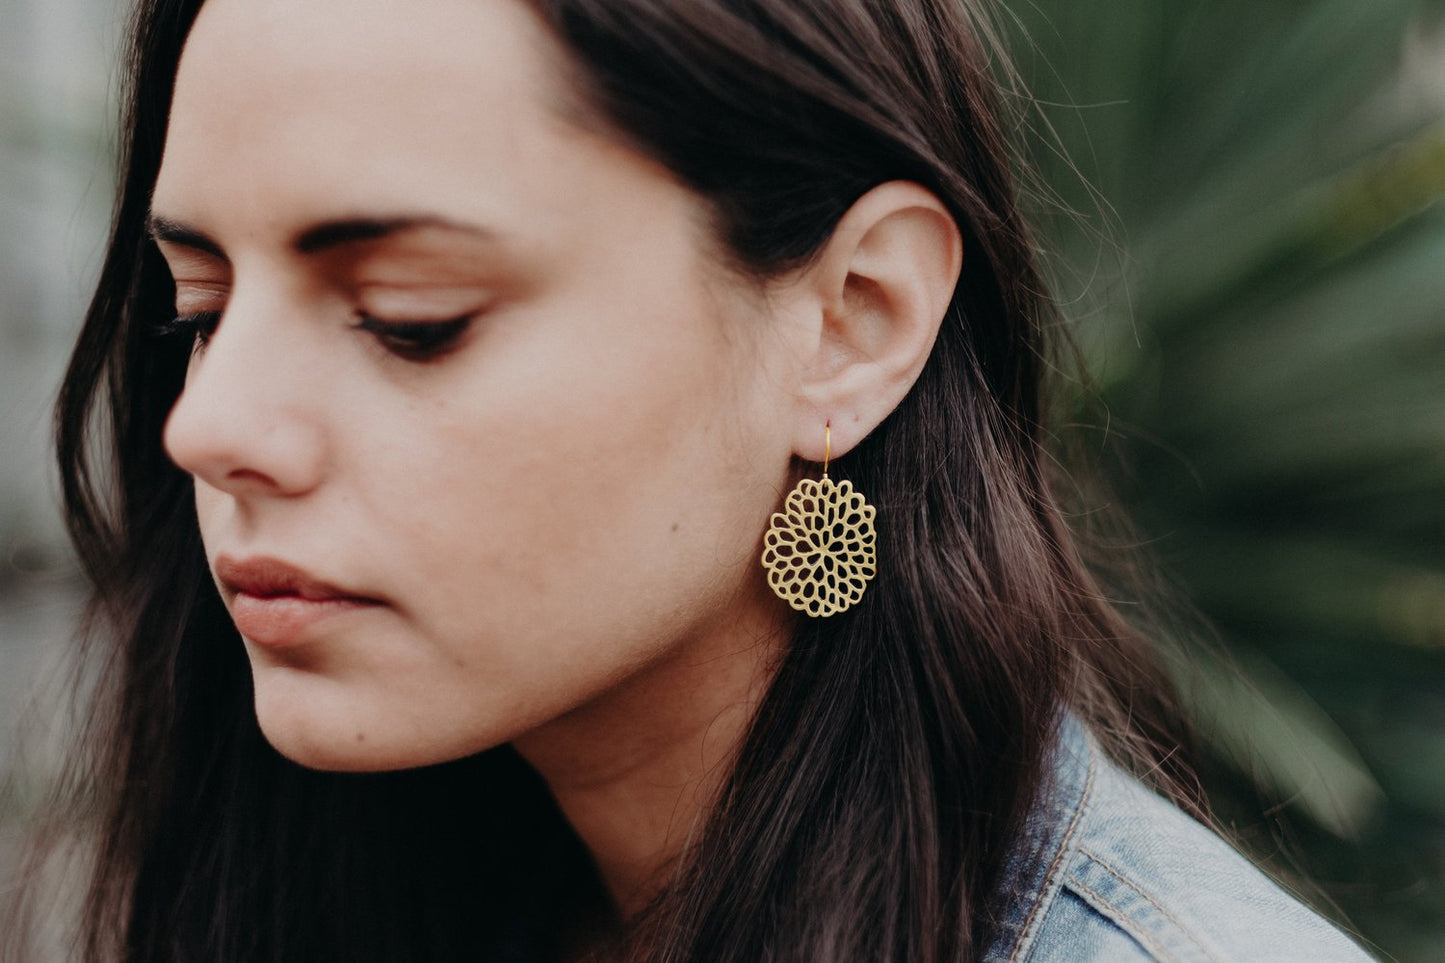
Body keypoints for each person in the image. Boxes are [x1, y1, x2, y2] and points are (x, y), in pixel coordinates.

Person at [0, 0, 1382, 960]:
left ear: (852, 322)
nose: (210, 423)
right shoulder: (373, 879)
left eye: (411, 316)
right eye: (198, 305)